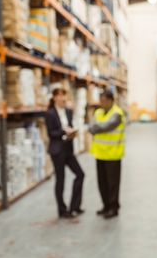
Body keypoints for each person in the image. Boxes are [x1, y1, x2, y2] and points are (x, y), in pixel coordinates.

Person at [45, 88, 85, 219]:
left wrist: (72, 133)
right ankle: (62, 210)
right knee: (60, 180)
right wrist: (64, 133)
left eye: (64, 96)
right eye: (60, 96)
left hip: (68, 149)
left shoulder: (68, 111)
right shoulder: (50, 113)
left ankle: (75, 206)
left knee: (80, 174)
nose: (63, 98)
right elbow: (51, 133)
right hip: (57, 150)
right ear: (55, 97)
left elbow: (70, 125)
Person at [88, 90, 126, 219]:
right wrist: (95, 127)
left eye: (104, 101)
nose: (102, 103)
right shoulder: (98, 112)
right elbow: (91, 126)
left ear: (111, 100)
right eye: (101, 101)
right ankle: (105, 206)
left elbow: (105, 127)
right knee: (102, 183)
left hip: (113, 155)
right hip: (99, 154)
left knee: (113, 184)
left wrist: (96, 127)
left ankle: (113, 208)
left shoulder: (117, 114)